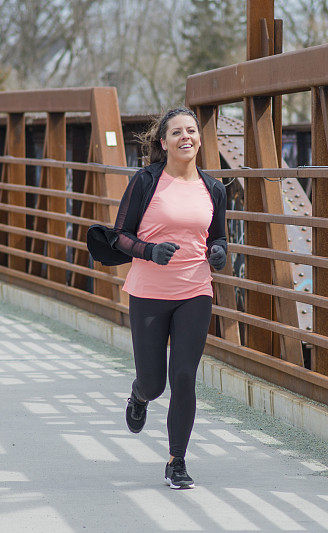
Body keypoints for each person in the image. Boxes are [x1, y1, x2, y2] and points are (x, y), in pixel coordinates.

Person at [110, 107, 227, 489]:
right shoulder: (146, 181)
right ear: (163, 142)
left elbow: (219, 236)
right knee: (155, 382)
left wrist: (220, 253)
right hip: (148, 292)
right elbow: (120, 235)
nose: (186, 137)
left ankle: (177, 461)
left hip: (195, 290)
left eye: (191, 130)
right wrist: (148, 251)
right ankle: (139, 396)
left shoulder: (213, 189)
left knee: (184, 377)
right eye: (177, 132)